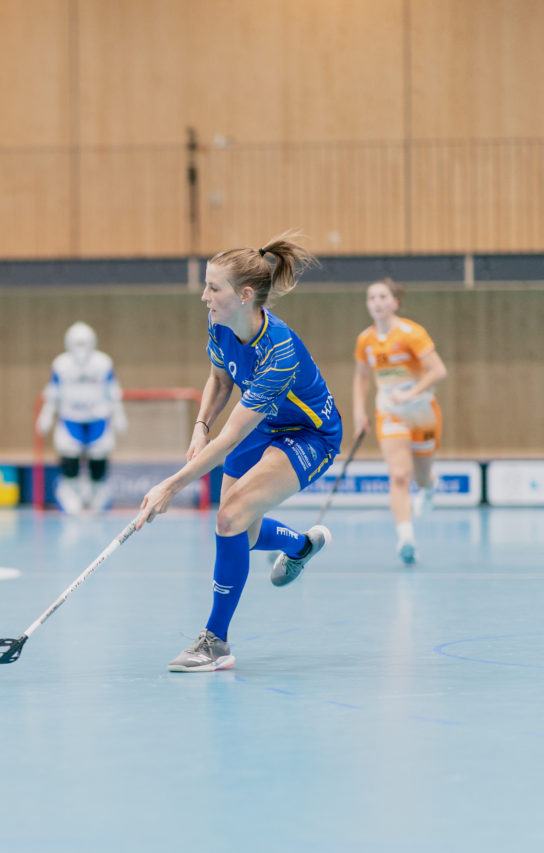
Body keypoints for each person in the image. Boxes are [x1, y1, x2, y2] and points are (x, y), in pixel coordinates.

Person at [135, 232, 342, 672]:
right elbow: (220, 379)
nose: (204, 296)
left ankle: (216, 642)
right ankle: (302, 545)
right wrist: (199, 427)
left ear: (245, 295)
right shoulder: (220, 322)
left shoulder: (279, 352)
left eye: (214, 288)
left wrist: (169, 487)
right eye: (206, 285)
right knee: (242, 533)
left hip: (309, 435)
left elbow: (231, 438)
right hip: (264, 421)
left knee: (228, 518)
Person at [352, 278, 447, 564]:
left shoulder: (411, 333)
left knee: (420, 476)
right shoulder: (365, 340)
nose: (377, 303)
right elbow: (361, 377)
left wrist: (411, 394)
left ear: (395, 302)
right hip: (390, 412)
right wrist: (359, 411)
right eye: (372, 298)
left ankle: (430, 486)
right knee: (399, 475)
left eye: (383, 297)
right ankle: (406, 538)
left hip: (421, 411)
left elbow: (438, 370)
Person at [36, 321, 129, 513]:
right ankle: (71, 495)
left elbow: (112, 391)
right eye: (77, 343)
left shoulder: (103, 363)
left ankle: (97, 496)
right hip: (70, 419)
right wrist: (46, 414)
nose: (81, 349)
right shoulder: (61, 364)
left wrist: (119, 414)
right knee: (68, 455)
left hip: (98, 419)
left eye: (84, 343)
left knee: (99, 456)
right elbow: (53, 393)